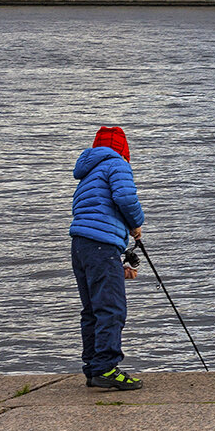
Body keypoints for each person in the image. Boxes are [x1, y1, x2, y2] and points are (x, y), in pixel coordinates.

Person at [70, 125, 145, 390]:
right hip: (101, 246)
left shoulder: (88, 173)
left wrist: (116, 261)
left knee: (92, 309)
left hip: (81, 246)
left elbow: (95, 213)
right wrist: (136, 224)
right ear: (123, 149)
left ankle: (93, 368)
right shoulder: (117, 164)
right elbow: (125, 197)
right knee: (111, 308)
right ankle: (106, 368)